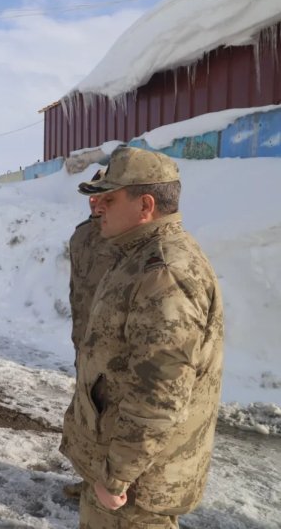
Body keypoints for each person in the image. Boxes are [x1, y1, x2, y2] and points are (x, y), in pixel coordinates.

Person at [59, 146, 224, 529]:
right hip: (124, 465)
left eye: (110, 198)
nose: (99, 207)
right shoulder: (138, 254)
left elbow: (158, 394)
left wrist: (117, 475)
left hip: (136, 486)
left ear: (145, 205)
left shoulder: (164, 273)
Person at [61, 167, 121, 500]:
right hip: (85, 339)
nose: (96, 203)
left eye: (105, 196)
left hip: (115, 346)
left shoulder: (127, 242)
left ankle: (117, 487)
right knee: (88, 416)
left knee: (115, 420)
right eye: (92, 196)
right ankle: (90, 479)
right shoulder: (82, 236)